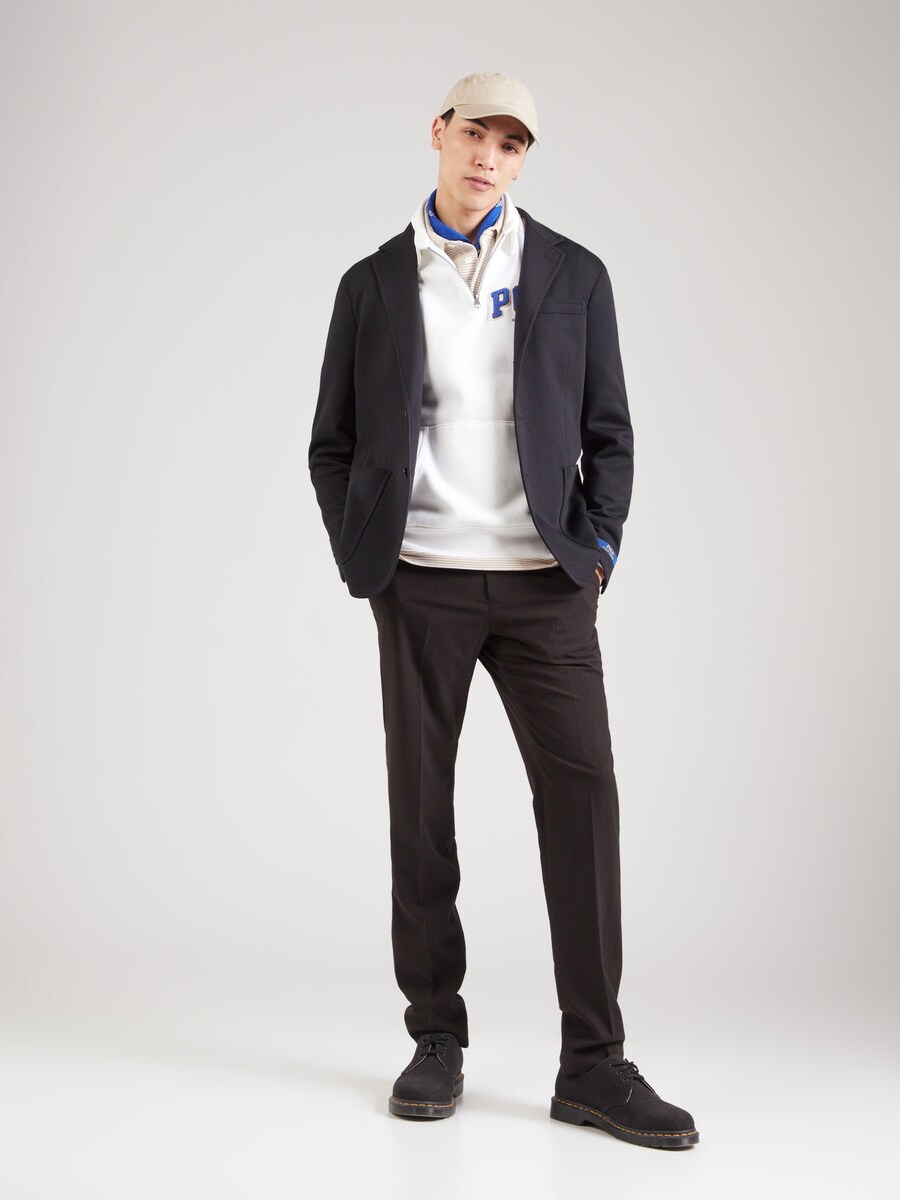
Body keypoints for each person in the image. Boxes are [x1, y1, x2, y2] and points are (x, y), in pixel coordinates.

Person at [308, 71, 699, 1149]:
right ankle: (435, 1036)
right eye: (475, 132)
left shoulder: (573, 273)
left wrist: (598, 551)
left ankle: (595, 1062)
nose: (489, 156)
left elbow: (611, 431)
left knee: (583, 803)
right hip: (421, 580)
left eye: (512, 144)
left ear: (524, 160)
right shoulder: (373, 284)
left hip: (545, 586)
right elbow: (332, 439)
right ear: (439, 132)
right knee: (421, 810)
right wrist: (365, 552)